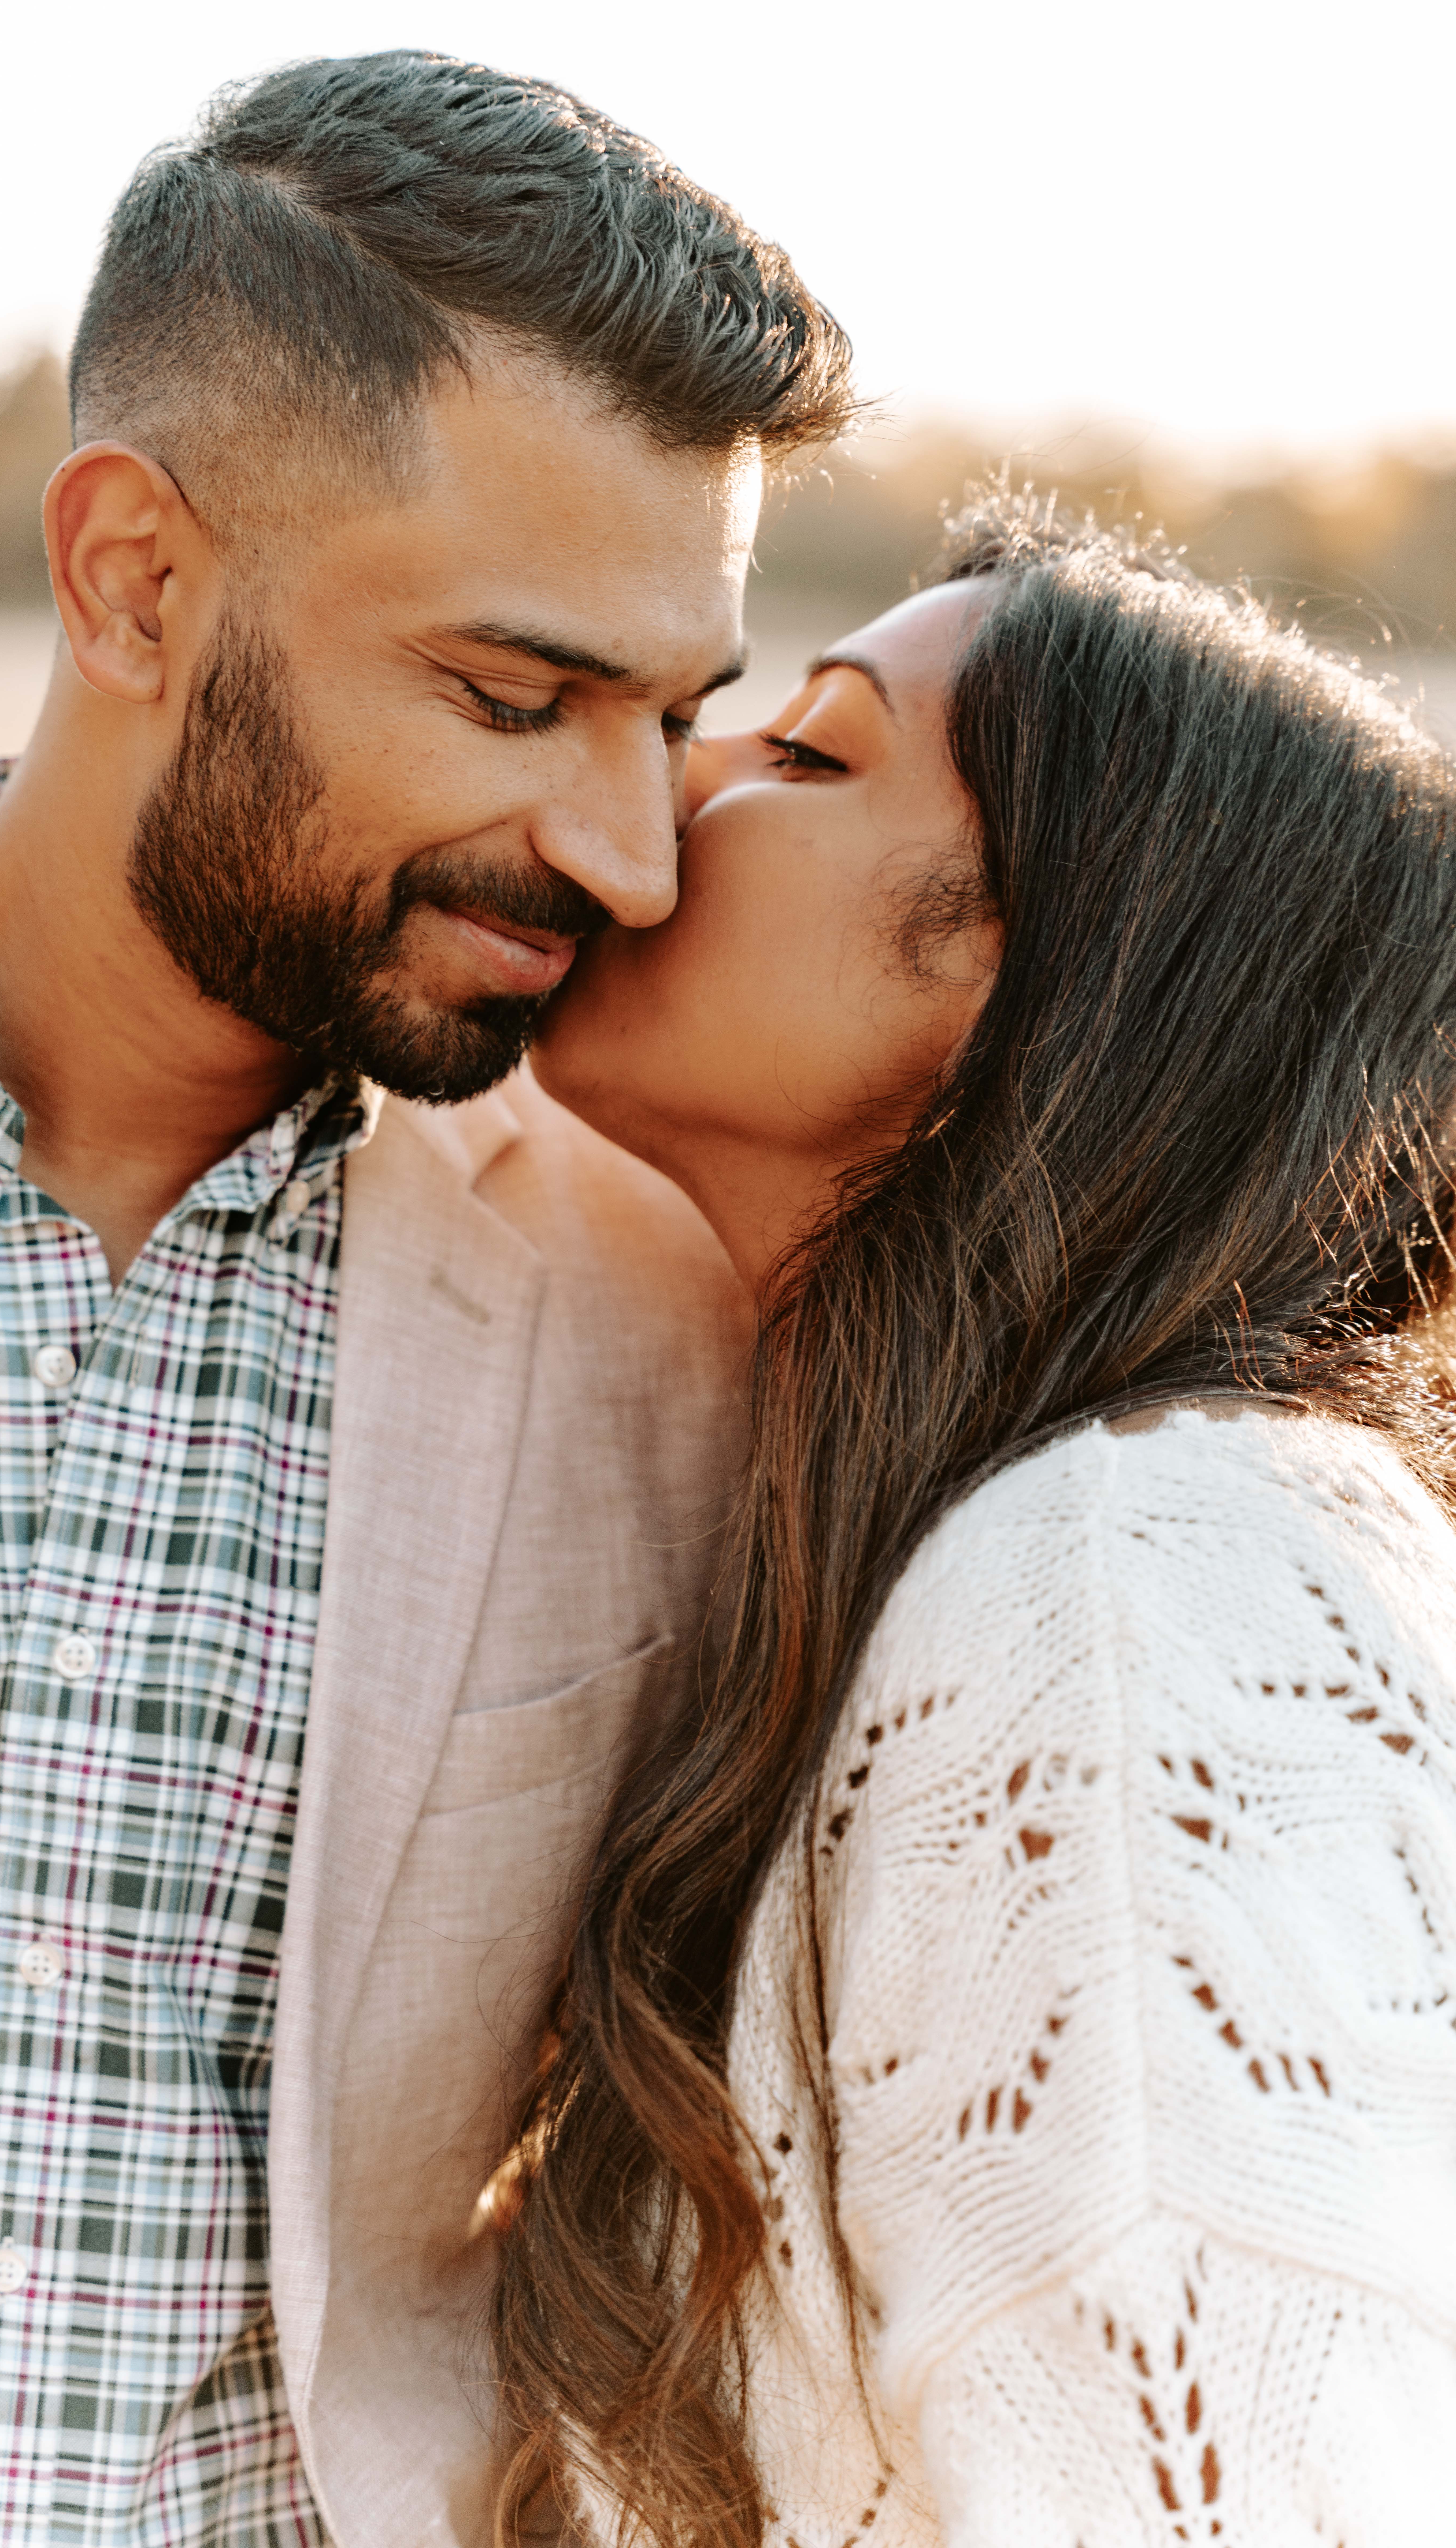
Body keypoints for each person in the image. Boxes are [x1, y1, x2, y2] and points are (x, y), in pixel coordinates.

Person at [0, 52, 853, 2548]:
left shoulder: (658, 1321)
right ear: (138, 576)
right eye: (510, 697)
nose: (628, 852)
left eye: (668, 721)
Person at [499, 491, 1456, 2543]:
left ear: (1066, 1000)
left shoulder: (1123, 1605)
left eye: (812, 748)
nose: (675, 777)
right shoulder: (992, 1524)